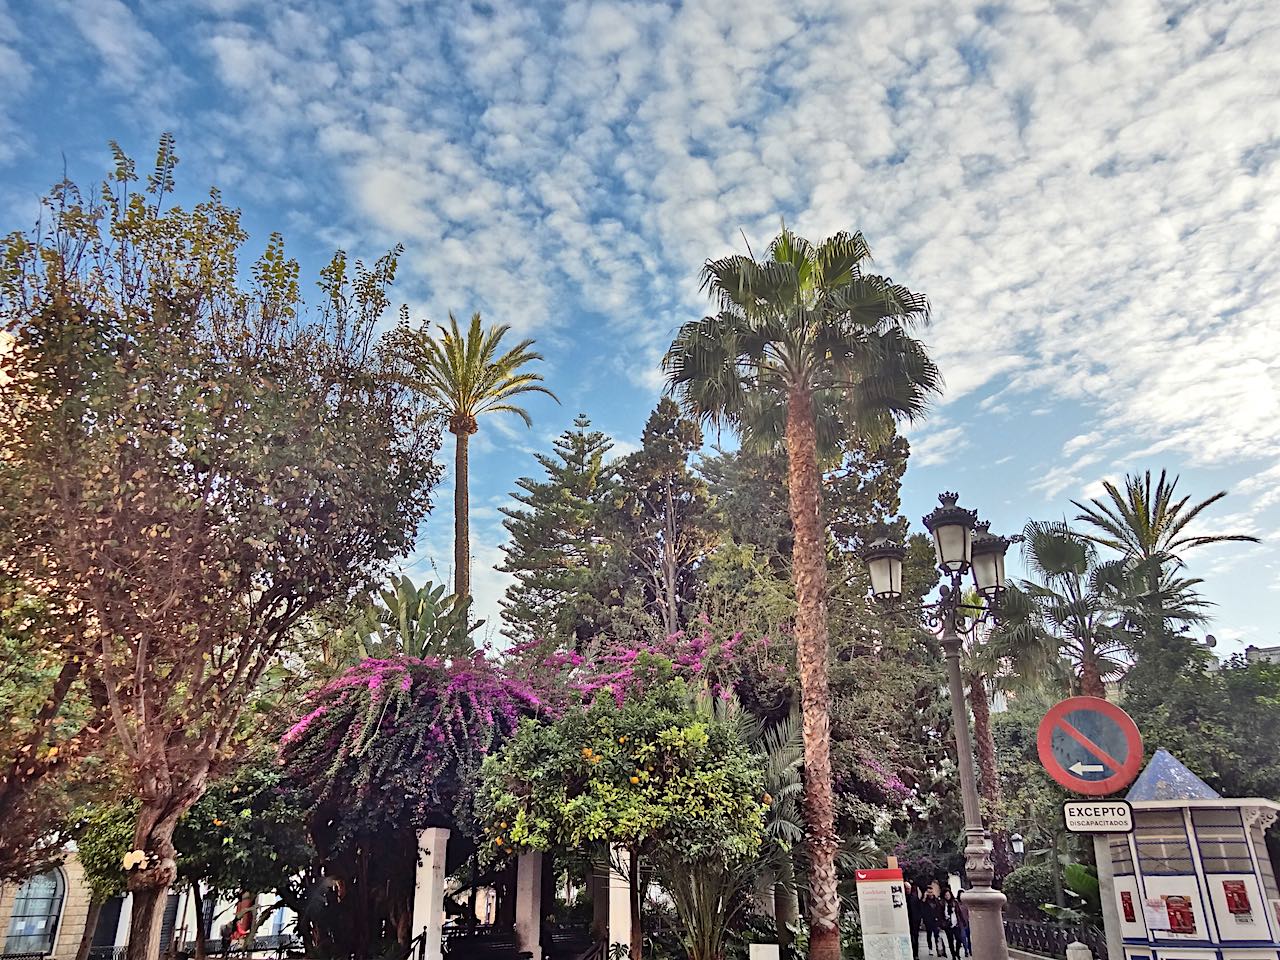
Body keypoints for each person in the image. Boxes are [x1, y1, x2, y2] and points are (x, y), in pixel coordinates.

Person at [940, 889, 962, 960]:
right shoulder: (942, 903)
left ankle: (957, 953)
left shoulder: (955, 902)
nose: (947, 896)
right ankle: (953, 955)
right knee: (950, 940)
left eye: (948, 895)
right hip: (948, 924)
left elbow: (959, 912)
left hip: (956, 923)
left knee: (959, 939)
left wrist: (962, 922)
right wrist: (942, 924)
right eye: (946, 895)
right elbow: (940, 914)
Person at [905, 881, 923, 960]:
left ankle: (915, 954)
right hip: (906, 921)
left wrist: (919, 919)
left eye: (909, 888)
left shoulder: (914, 897)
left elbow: (919, 909)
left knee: (915, 938)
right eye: (906, 888)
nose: (907, 890)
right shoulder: (903, 897)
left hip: (915, 921)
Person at [922, 889, 942, 956]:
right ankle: (930, 949)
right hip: (928, 921)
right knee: (929, 935)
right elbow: (922, 908)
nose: (930, 894)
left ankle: (938, 949)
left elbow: (939, 910)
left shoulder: (936, 900)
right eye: (929, 892)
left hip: (935, 921)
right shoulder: (925, 900)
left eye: (931, 892)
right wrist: (924, 897)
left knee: (937, 936)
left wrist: (939, 920)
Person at [956, 890, 972, 957]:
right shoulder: (957, 903)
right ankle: (966, 950)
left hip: (968, 922)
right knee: (963, 937)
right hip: (961, 922)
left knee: (969, 937)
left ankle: (970, 950)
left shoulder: (967, 903)